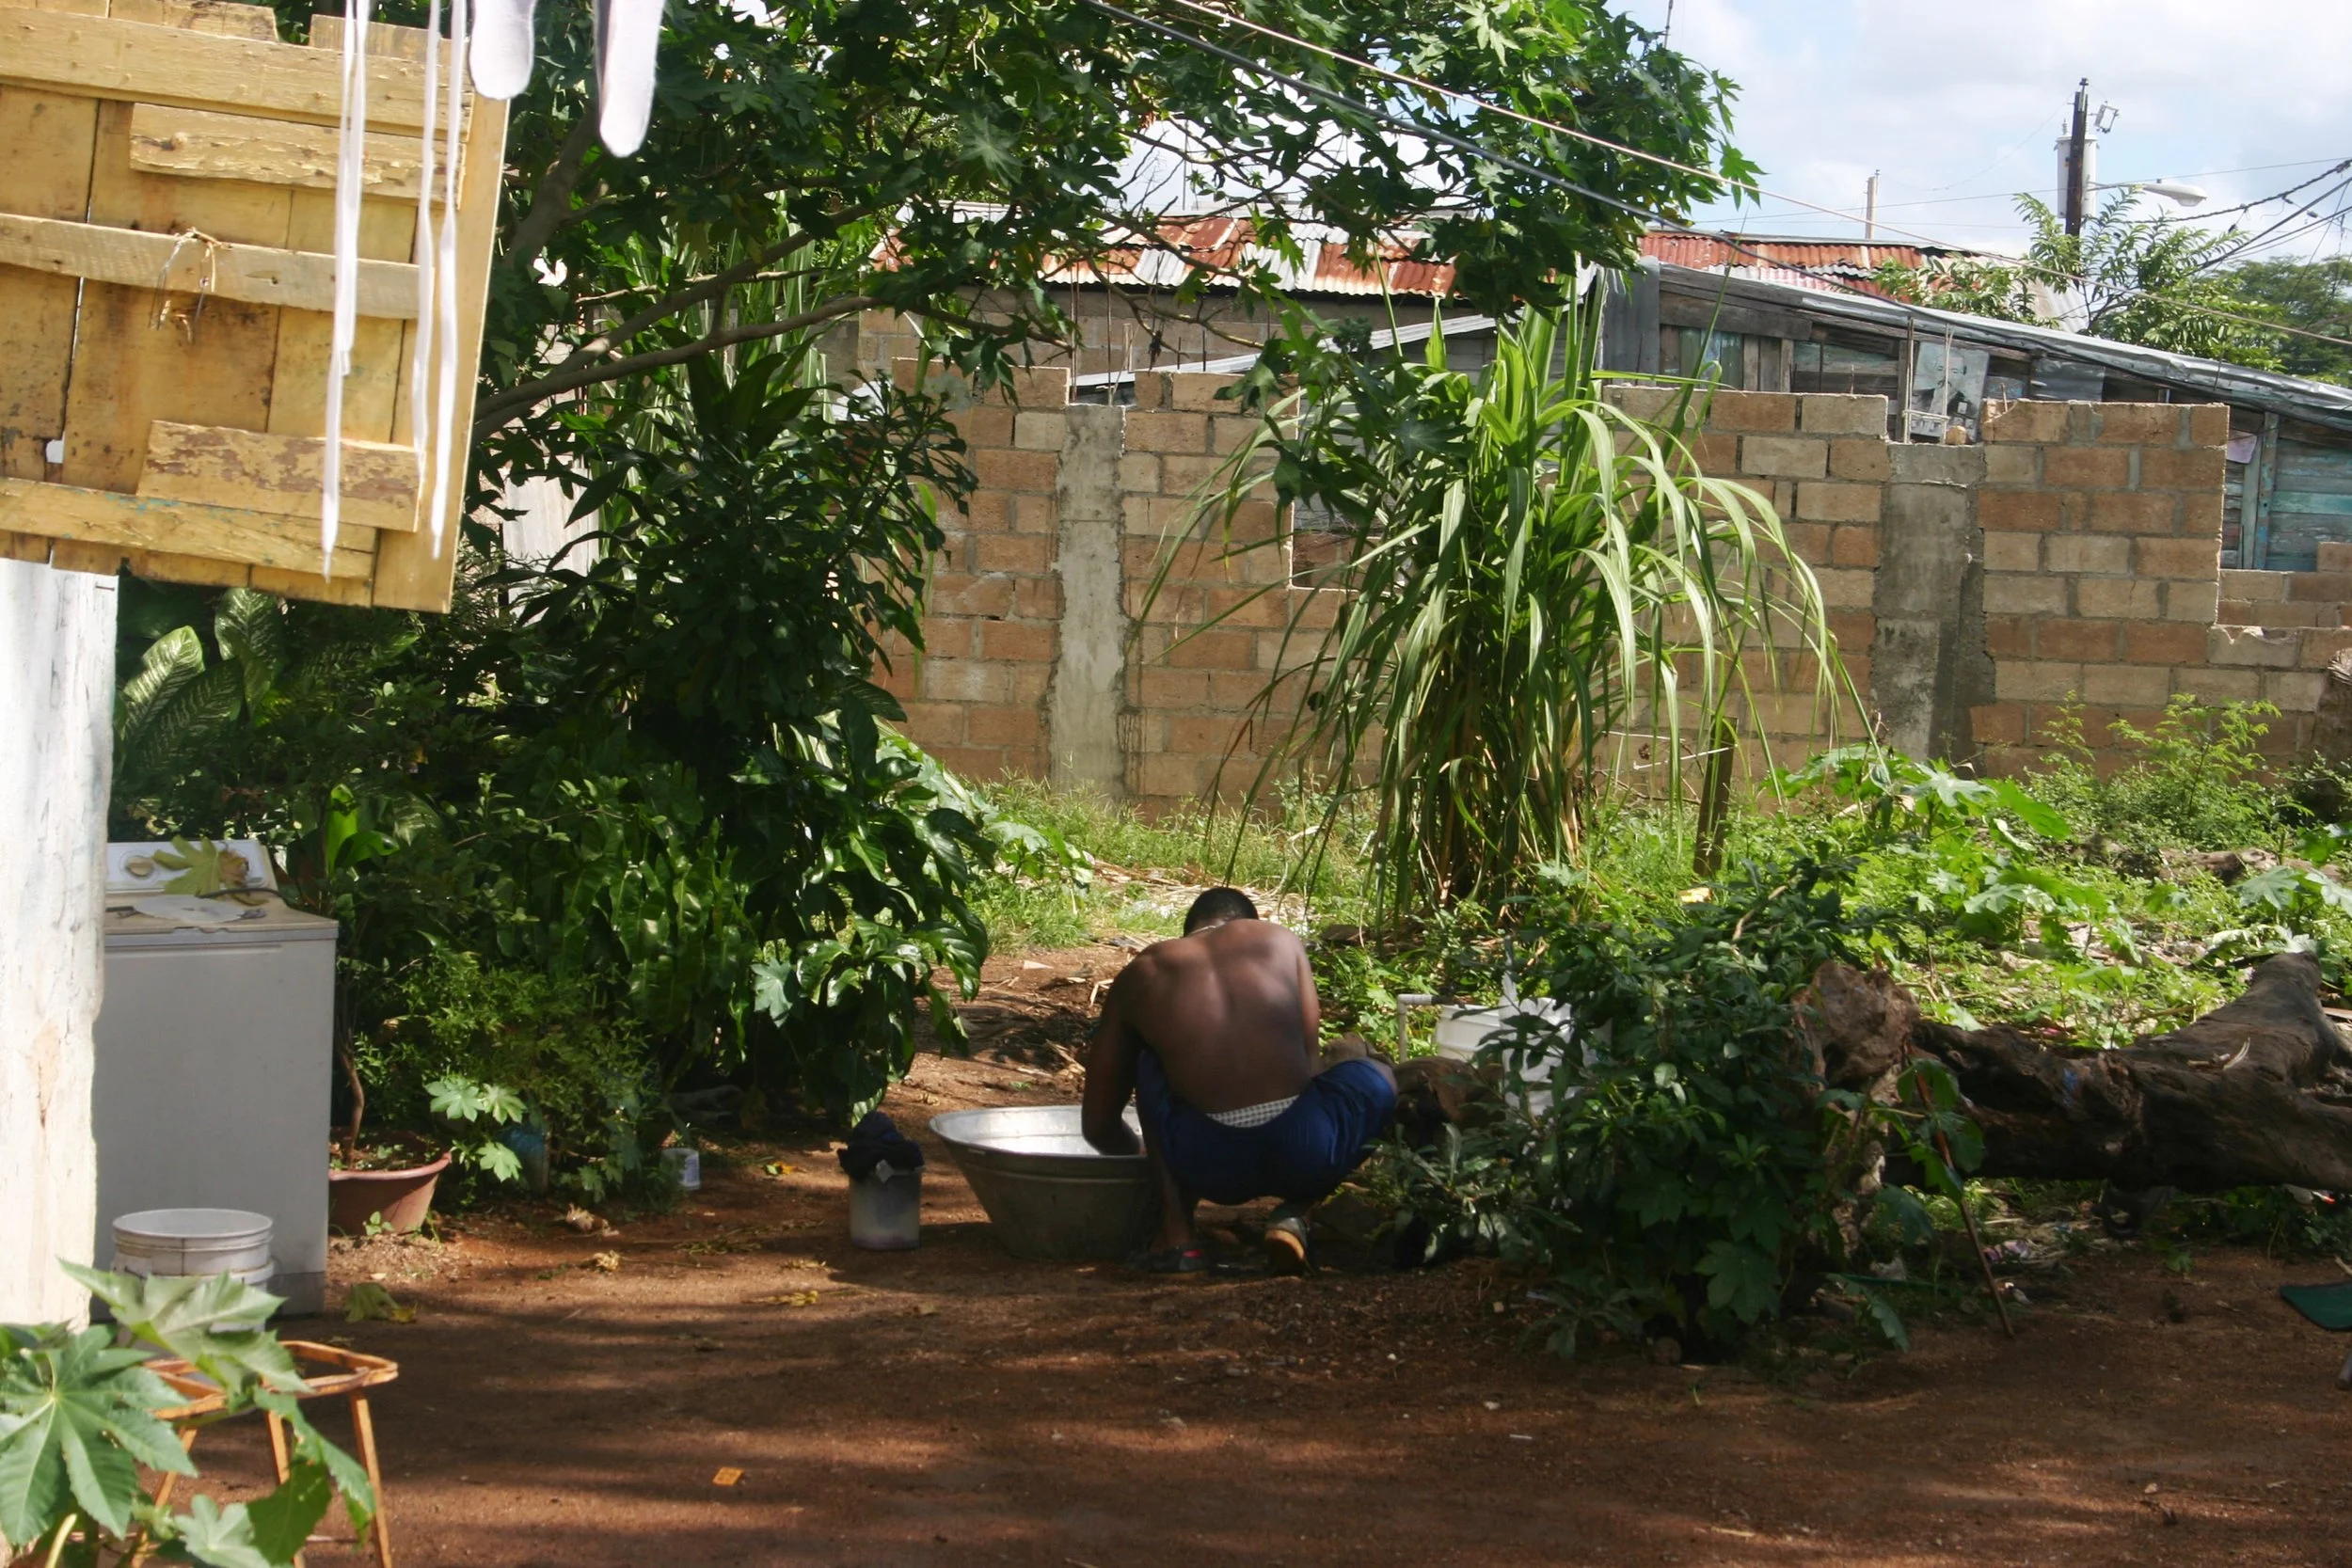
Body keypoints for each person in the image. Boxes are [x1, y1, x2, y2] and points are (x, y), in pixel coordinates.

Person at [1081, 887, 1396, 1273]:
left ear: (1188, 934)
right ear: (1252, 921)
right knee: (1378, 1076)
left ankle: (1177, 1237)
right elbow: (1310, 1066)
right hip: (1306, 1150)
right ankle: (1297, 1211)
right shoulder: (1281, 940)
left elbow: (1098, 1124)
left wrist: (1140, 1161)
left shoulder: (1144, 971)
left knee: (1150, 1060)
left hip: (1208, 1162)